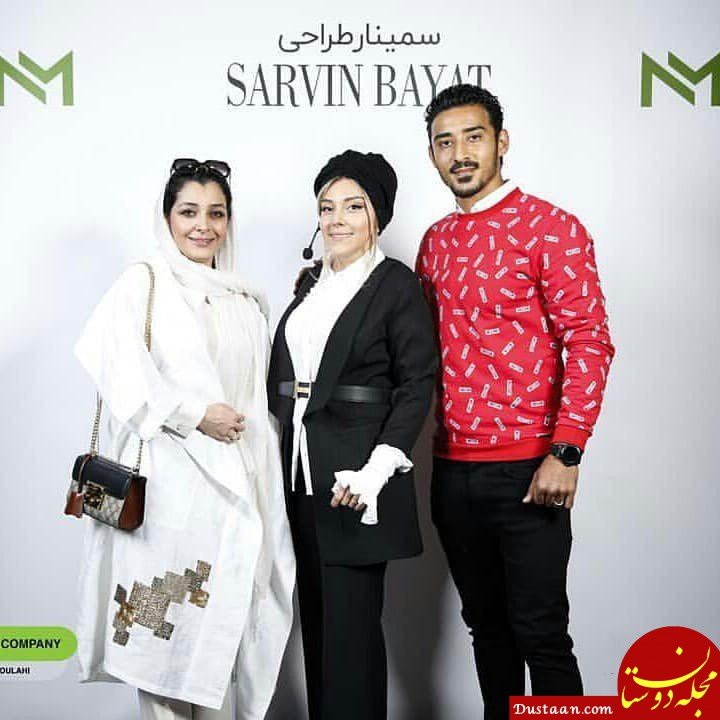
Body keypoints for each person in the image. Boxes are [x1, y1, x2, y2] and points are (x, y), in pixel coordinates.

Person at [416, 85, 616, 719]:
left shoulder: (552, 227)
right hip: (452, 470)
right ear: (433, 155)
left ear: (501, 142)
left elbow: (589, 341)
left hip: (531, 469)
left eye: (473, 137)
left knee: (541, 633)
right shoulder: (435, 242)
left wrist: (567, 450)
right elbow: (415, 344)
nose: (460, 153)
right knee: (488, 630)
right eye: (445, 142)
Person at [73, 159, 295, 720]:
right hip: (169, 493)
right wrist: (195, 415)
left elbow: (256, 397)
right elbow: (115, 363)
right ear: (167, 217)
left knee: (219, 642)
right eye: (189, 212)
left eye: (216, 214)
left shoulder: (244, 298)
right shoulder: (144, 281)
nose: (203, 226)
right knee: (163, 642)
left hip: (236, 491)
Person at [267, 150, 436, 720]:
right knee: (318, 629)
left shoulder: (397, 285)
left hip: (355, 481)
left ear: (377, 216)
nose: (336, 219)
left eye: (353, 206)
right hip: (300, 478)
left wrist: (376, 471)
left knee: (350, 637)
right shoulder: (312, 284)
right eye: (327, 207)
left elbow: (417, 384)